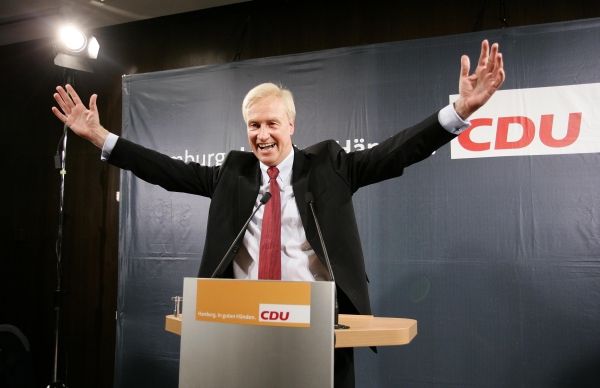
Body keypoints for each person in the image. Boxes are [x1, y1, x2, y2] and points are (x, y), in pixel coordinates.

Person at [52, 39, 505, 388]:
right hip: (240, 328)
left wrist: (459, 110)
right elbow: (166, 170)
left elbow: (396, 151)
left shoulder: (330, 166)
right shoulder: (233, 172)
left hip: (317, 330)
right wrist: (101, 138)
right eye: (254, 125)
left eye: (272, 124)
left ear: (291, 125)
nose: (263, 135)